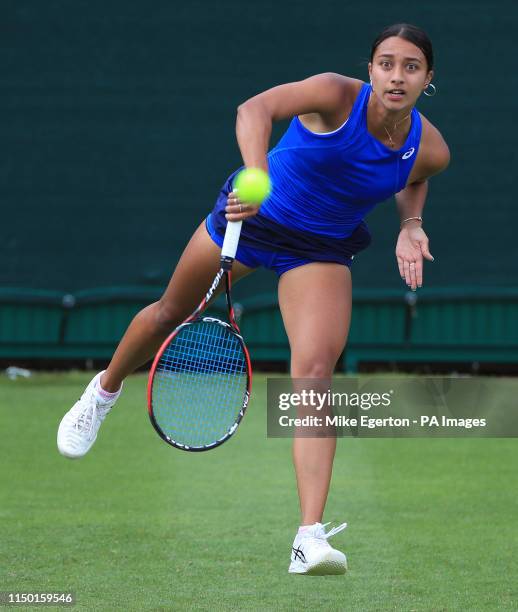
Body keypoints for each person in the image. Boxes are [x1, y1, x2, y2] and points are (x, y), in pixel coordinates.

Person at [57, 23, 450, 575]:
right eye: (387, 63)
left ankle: (308, 537)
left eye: (411, 66)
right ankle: (102, 392)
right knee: (171, 311)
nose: (397, 75)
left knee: (314, 373)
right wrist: (257, 171)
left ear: (427, 79)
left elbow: (415, 174)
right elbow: (253, 109)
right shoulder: (335, 95)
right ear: (370, 69)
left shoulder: (429, 146)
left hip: (321, 248)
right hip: (255, 219)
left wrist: (411, 222)